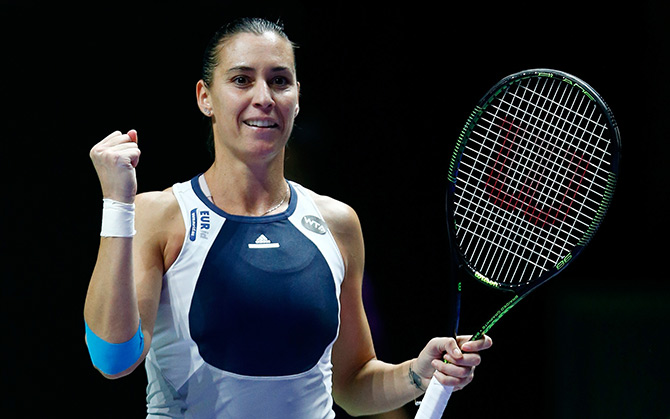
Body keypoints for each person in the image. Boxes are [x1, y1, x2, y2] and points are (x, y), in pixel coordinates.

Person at [84, 17, 492, 418]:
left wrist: (417, 375)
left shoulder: (338, 223)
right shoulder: (160, 216)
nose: (264, 97)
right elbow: (113, 357)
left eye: (279, 81)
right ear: (205, 97)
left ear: (297, 97)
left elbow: (351, 384)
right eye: (242, 80)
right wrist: (118, 205)